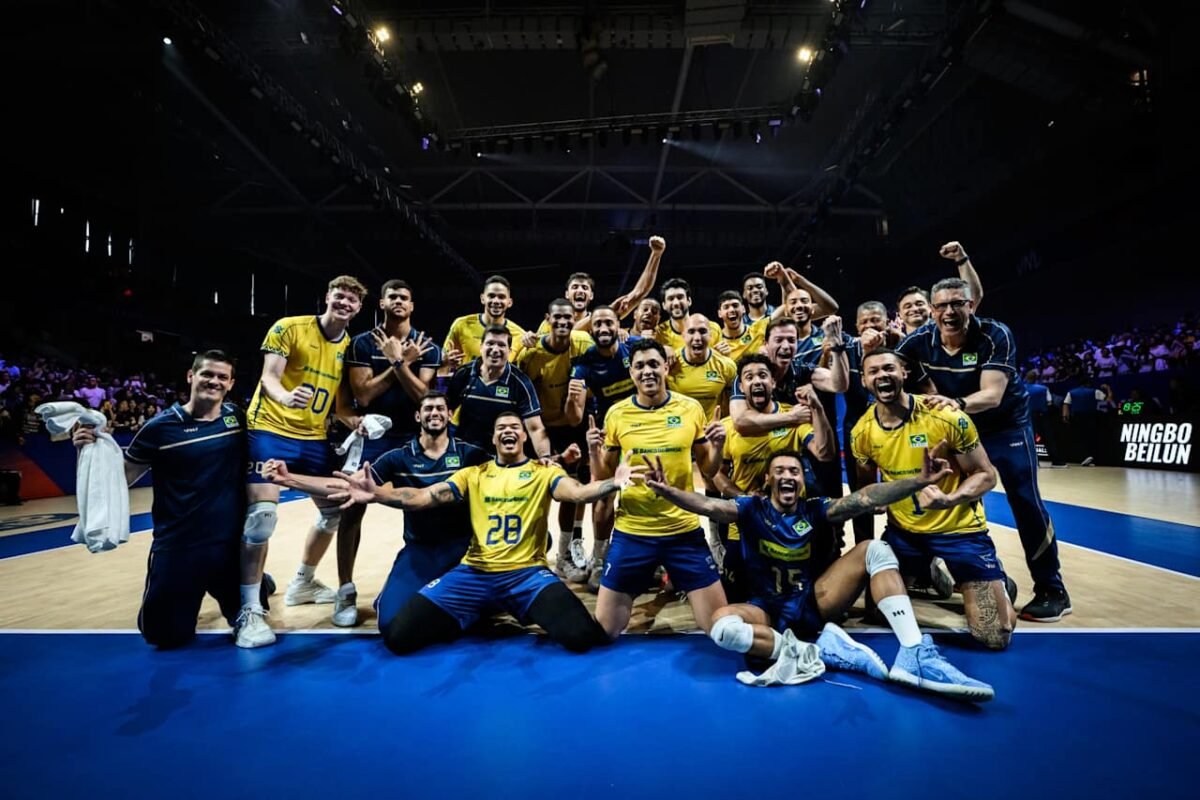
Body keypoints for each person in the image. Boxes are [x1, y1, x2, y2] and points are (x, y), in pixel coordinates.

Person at [644, 448, 994, 701]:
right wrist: (669, 491)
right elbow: (708, 505)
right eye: (779, 470)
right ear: (768, 479)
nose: (787, 476)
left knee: (874, 548)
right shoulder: (751, 509)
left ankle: (914, 652)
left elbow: (865, 497)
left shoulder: (816, 509)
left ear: (801, 480)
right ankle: (804, 652)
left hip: (814, 602)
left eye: (794, 471)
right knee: (721, 627)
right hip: (764, 609)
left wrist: (917, 481)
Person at [336, 411, 638, 654]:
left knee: (582, 637)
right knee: (398, 637)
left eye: (515, 427)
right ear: (494, 438)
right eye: (501, 428)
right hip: (474, 573)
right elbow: (423, 497)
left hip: (527, 575)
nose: (508, 431)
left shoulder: (544, 472)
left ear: (523, 436)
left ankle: (507, 606)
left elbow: (579, 493)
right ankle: (474, 612)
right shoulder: (473, 474)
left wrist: (613, 482)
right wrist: (377, 494)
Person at [897, 278, 1070, 622]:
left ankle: (1052, 589)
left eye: (957, 303)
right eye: (942, 305)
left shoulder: (995, 334)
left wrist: (954, 402)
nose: (949, 311)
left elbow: (992, 395)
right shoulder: (916, 343)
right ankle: (991, 576)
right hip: (960, 426)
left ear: (971, 305)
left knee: (1025, 500)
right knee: (951, 501)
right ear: (931, 311)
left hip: (1006, 426)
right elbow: (890, 371)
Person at [73, 351, 272, 648]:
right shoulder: (159, 428)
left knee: (251, 603)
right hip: (179, 545)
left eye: (222, 377)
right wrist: (86, 452)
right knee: (163, 636)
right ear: (191, 376)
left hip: (230, 547)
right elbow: (119, 480)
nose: (214, 381)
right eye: (207, 374)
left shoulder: (239, 419)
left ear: (231, 384)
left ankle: (259, 583)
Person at [263, 391, 488, 632]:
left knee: (493, 606)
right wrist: (290, 480)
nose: (435, 413)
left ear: (450, 415)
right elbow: (349, 486)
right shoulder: (398, 458)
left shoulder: (470, 455)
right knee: (389, 621)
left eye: (440, 409)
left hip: (464, 550)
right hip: (420, 550)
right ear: (417, 416)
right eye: (428, 409)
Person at [850, 349, 1017, 649]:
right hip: (905, 536)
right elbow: (865, 495)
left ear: (904, 373)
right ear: (863, 381)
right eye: (873, 372)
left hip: (960, 532)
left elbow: (987, 475)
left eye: (889, 368)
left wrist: (949, 499)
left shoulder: (946, 416)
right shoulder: (862, 432)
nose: (882, 376)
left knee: (994, 636)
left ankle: (995, 582)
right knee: (879, 615)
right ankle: (928, 571)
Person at [240, 275, 368, 647]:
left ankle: (303, 582)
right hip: (269, 429)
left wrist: (360, 422)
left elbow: (341, 405)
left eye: (352, 300)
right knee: (260, 520)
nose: (345, 303)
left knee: (337, 511)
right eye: (339, 296)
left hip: (313, 438)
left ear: (359, 309)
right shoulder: (289, 328)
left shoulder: (348, 346)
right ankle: (249, 610)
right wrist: (285, 398)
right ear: (327, 296)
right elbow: (269, 378)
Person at [588, 338, 728, 640]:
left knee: (719, 629)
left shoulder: (690, 409)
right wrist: (594, 453)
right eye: (639, 366)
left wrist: (718, 447)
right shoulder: (616, 414)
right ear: (631, 372)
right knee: (606, 629)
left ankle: (675, 580)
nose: (647, 371)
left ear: (666, 367)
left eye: (654, 364)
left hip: (683, 531)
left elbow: (709, 470)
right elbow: (603, 477)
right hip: (632, 532)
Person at [336, 279, 441, 626]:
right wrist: (399, 363)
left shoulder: (428, 345)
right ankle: (345, 590)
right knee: (352, 508)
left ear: (412, 306)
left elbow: (423, 399)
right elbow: (363, 396)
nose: (398, 301)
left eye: (404, 297)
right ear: (381, 303)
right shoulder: (360, 344)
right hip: (375, 438)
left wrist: (400, 364)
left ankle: (432, 577)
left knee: (430, 507)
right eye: (392, 296)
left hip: (416, 437)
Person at [716, 354, 835, 598]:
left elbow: (824, 453)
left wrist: (817, 407)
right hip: (745, 524)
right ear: (741, 386)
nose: (756, 381)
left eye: (763, 375)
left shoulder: (795, 416)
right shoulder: (730, 426)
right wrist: (744, 499)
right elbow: (715, 475)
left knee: (804, 599)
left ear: (773, 383)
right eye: (749, 377)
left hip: (792, 523)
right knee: (736, 598)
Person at [516, 299, 596, 582]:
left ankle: (566, 552)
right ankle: (531, 551)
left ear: (574, 319)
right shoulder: (531, 354)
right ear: (547, 319)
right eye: (557, 318)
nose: (563, 322)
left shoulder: (584, 343)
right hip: (542, 429)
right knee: (537, 490)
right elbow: (520, 394)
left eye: (568, 318)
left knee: (576, 489)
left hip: (574, 427)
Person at [564, 306, 643, 587]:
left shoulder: (634, 347)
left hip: (642, 430)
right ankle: (598, 560)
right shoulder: (584, 363)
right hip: (608, 436)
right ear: (591, 329)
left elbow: (659, 353)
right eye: (597, 324)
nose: (603, 329)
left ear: (618, 324)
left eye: (608, 322)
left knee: (646, 492)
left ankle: (649, 557)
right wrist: (574, 400)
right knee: (604, 495)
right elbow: (574, 417)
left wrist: (667, 350)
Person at [445, 325, 552, 458]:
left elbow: (535, 428)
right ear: (481, 347)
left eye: (501, 345)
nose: (495, 350)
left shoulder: (520, 382)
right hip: (464, 456)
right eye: (490, 343)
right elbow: (444, 411)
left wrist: (545, 457)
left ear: (509, 350)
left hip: (502, 459)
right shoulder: (463, 374)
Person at [536, 236, 666, 333]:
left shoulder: (601, 319)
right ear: (566, 294)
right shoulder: (551, 322)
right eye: (575, 287)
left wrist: (655, 255)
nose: (580, 290)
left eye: (585, 288)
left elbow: (640, 292)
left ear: (591, 295)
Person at [441, 275, 525, 372]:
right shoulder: (461, 325)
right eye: (491, 296)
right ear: (482, 298)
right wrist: (445, 361)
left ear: (509, 302)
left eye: (501, 297)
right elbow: (444, 363)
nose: (496, 301)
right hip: (465, 385)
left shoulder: (520, 335)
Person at [667, 313, 737, 422]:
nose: (697, 338)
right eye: (691, 332)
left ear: (711, 335)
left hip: (712, 430)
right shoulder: (670, 364)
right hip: (680, 430)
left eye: (703, 331)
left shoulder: (726, 366)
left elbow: (732, 406)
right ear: (683, 335)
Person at [655, 278, 724, 354]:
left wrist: (725, 354)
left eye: (680, 297)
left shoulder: (712, 328)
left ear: (689, 301)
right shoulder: (658, 333)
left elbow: (720, 360)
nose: (676, 303)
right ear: (664, 305)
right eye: (670, 299)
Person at [1025, 370, 1066, 468]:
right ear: (1036, 378)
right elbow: (1049, 402)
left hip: (1027, 416)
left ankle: (1033, 462)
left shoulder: (1021, 388)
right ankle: (1056, 462)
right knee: (1048, 439)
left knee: (1029, 439)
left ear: (1026, 378)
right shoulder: (1044, 388)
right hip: (1042, 415)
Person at [715, 291, 768, 364]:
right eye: (726, 307)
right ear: (719, 313)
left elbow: (785, 309)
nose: (731, 310)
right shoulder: (716, 342)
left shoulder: (758, 329)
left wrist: (784, 284)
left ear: (743, 309)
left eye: (735, 305)